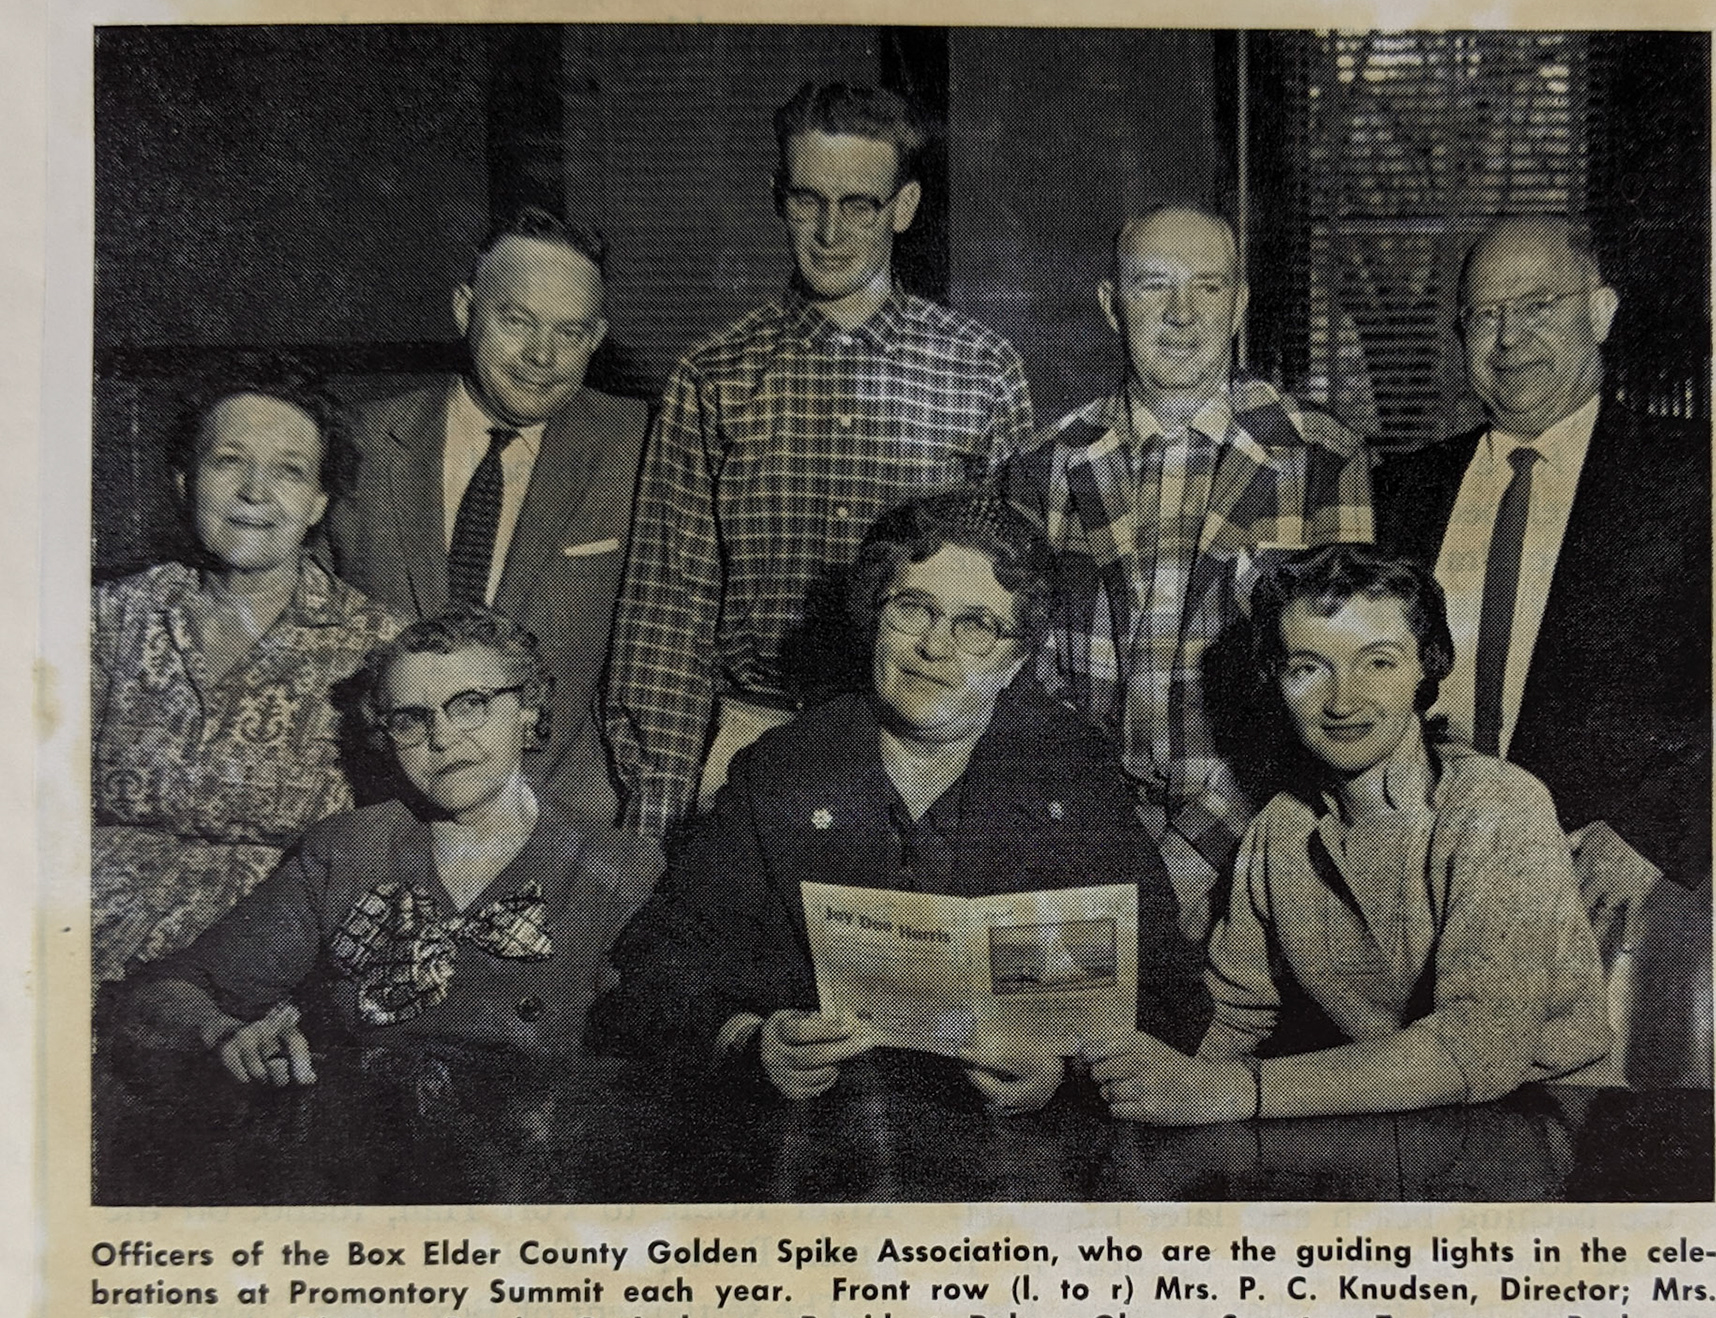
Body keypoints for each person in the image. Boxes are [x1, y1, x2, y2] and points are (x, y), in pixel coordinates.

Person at [604, 490, 1205, 1114]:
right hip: (823, 1138)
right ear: (873, 619)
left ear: (1015, 660)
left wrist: (1065, 1069)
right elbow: (653, 978)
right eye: (914, 609)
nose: (935, 647)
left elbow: (1169, 999)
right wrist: (753, 1043)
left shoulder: (1072, 771)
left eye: (976, 626)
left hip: (1015, 1157)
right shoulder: (786, 768)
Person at [604, 82, 1034, 843]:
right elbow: (666, 623)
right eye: (808, 200)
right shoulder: (713, 376)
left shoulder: (983, 370)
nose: (831, 231)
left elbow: (1017, 615)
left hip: (931, 755)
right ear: (778, 197)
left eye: (860, 204)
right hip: (753, 741)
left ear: (903, 206)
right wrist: (660, 830)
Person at [1086, 545, 1609, 1124]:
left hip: (1539, 1126)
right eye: (1308, 667)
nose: (1342, 700)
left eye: (1378, 663)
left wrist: (1240, 1092)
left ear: (1425, 669)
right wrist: (1147, 1076)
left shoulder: (1500, 808)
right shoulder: (1278, 831)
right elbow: (1235, 1012)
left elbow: (1478, 1044)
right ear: (1276, 681)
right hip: (1383, 1121)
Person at [1004, 204, 1372, 941]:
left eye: (1208, 287)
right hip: (1083, 850)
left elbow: (1340, 691)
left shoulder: (1322, 457)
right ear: (1112, 306)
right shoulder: (1043, 465)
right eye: (1152, 286)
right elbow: (1019, 690)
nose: (1181, 314)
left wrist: (1200, 853)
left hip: (1267, 849)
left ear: (1238, 304)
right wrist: (1108, 856)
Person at [113, 607, 639, 1083]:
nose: (442, 737)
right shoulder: (347, 851)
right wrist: (224, 1034)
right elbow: (164, 992)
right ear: (385, 738)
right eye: (412, 718)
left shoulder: (617, 866)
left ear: (528, 711)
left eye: (468, 706)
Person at [1372, 215, 1711, 923]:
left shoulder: (1697, 476)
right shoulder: (1403, 492)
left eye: (1536, 307)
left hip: (1601, 891)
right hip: (1417, 881)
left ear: (1600, 310)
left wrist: (1655, 830)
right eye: (1485, 316)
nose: (1509, 338)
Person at [327, 206, 649, 824]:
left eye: (571, 333)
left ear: (599, 337)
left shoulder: (644, 448)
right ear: (464, 310)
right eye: (516, 322)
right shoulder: (360, 445)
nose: (541, 356)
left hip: (565, 826)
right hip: (381, 820)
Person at [92, 358, 404, 985]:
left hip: (269, 985)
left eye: (289, 471)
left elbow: (396, 856)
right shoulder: (109, 619)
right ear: (184, 482)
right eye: (229, 461)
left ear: (318, 503)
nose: (255, 492)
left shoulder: (379, 648)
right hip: (85, 964)